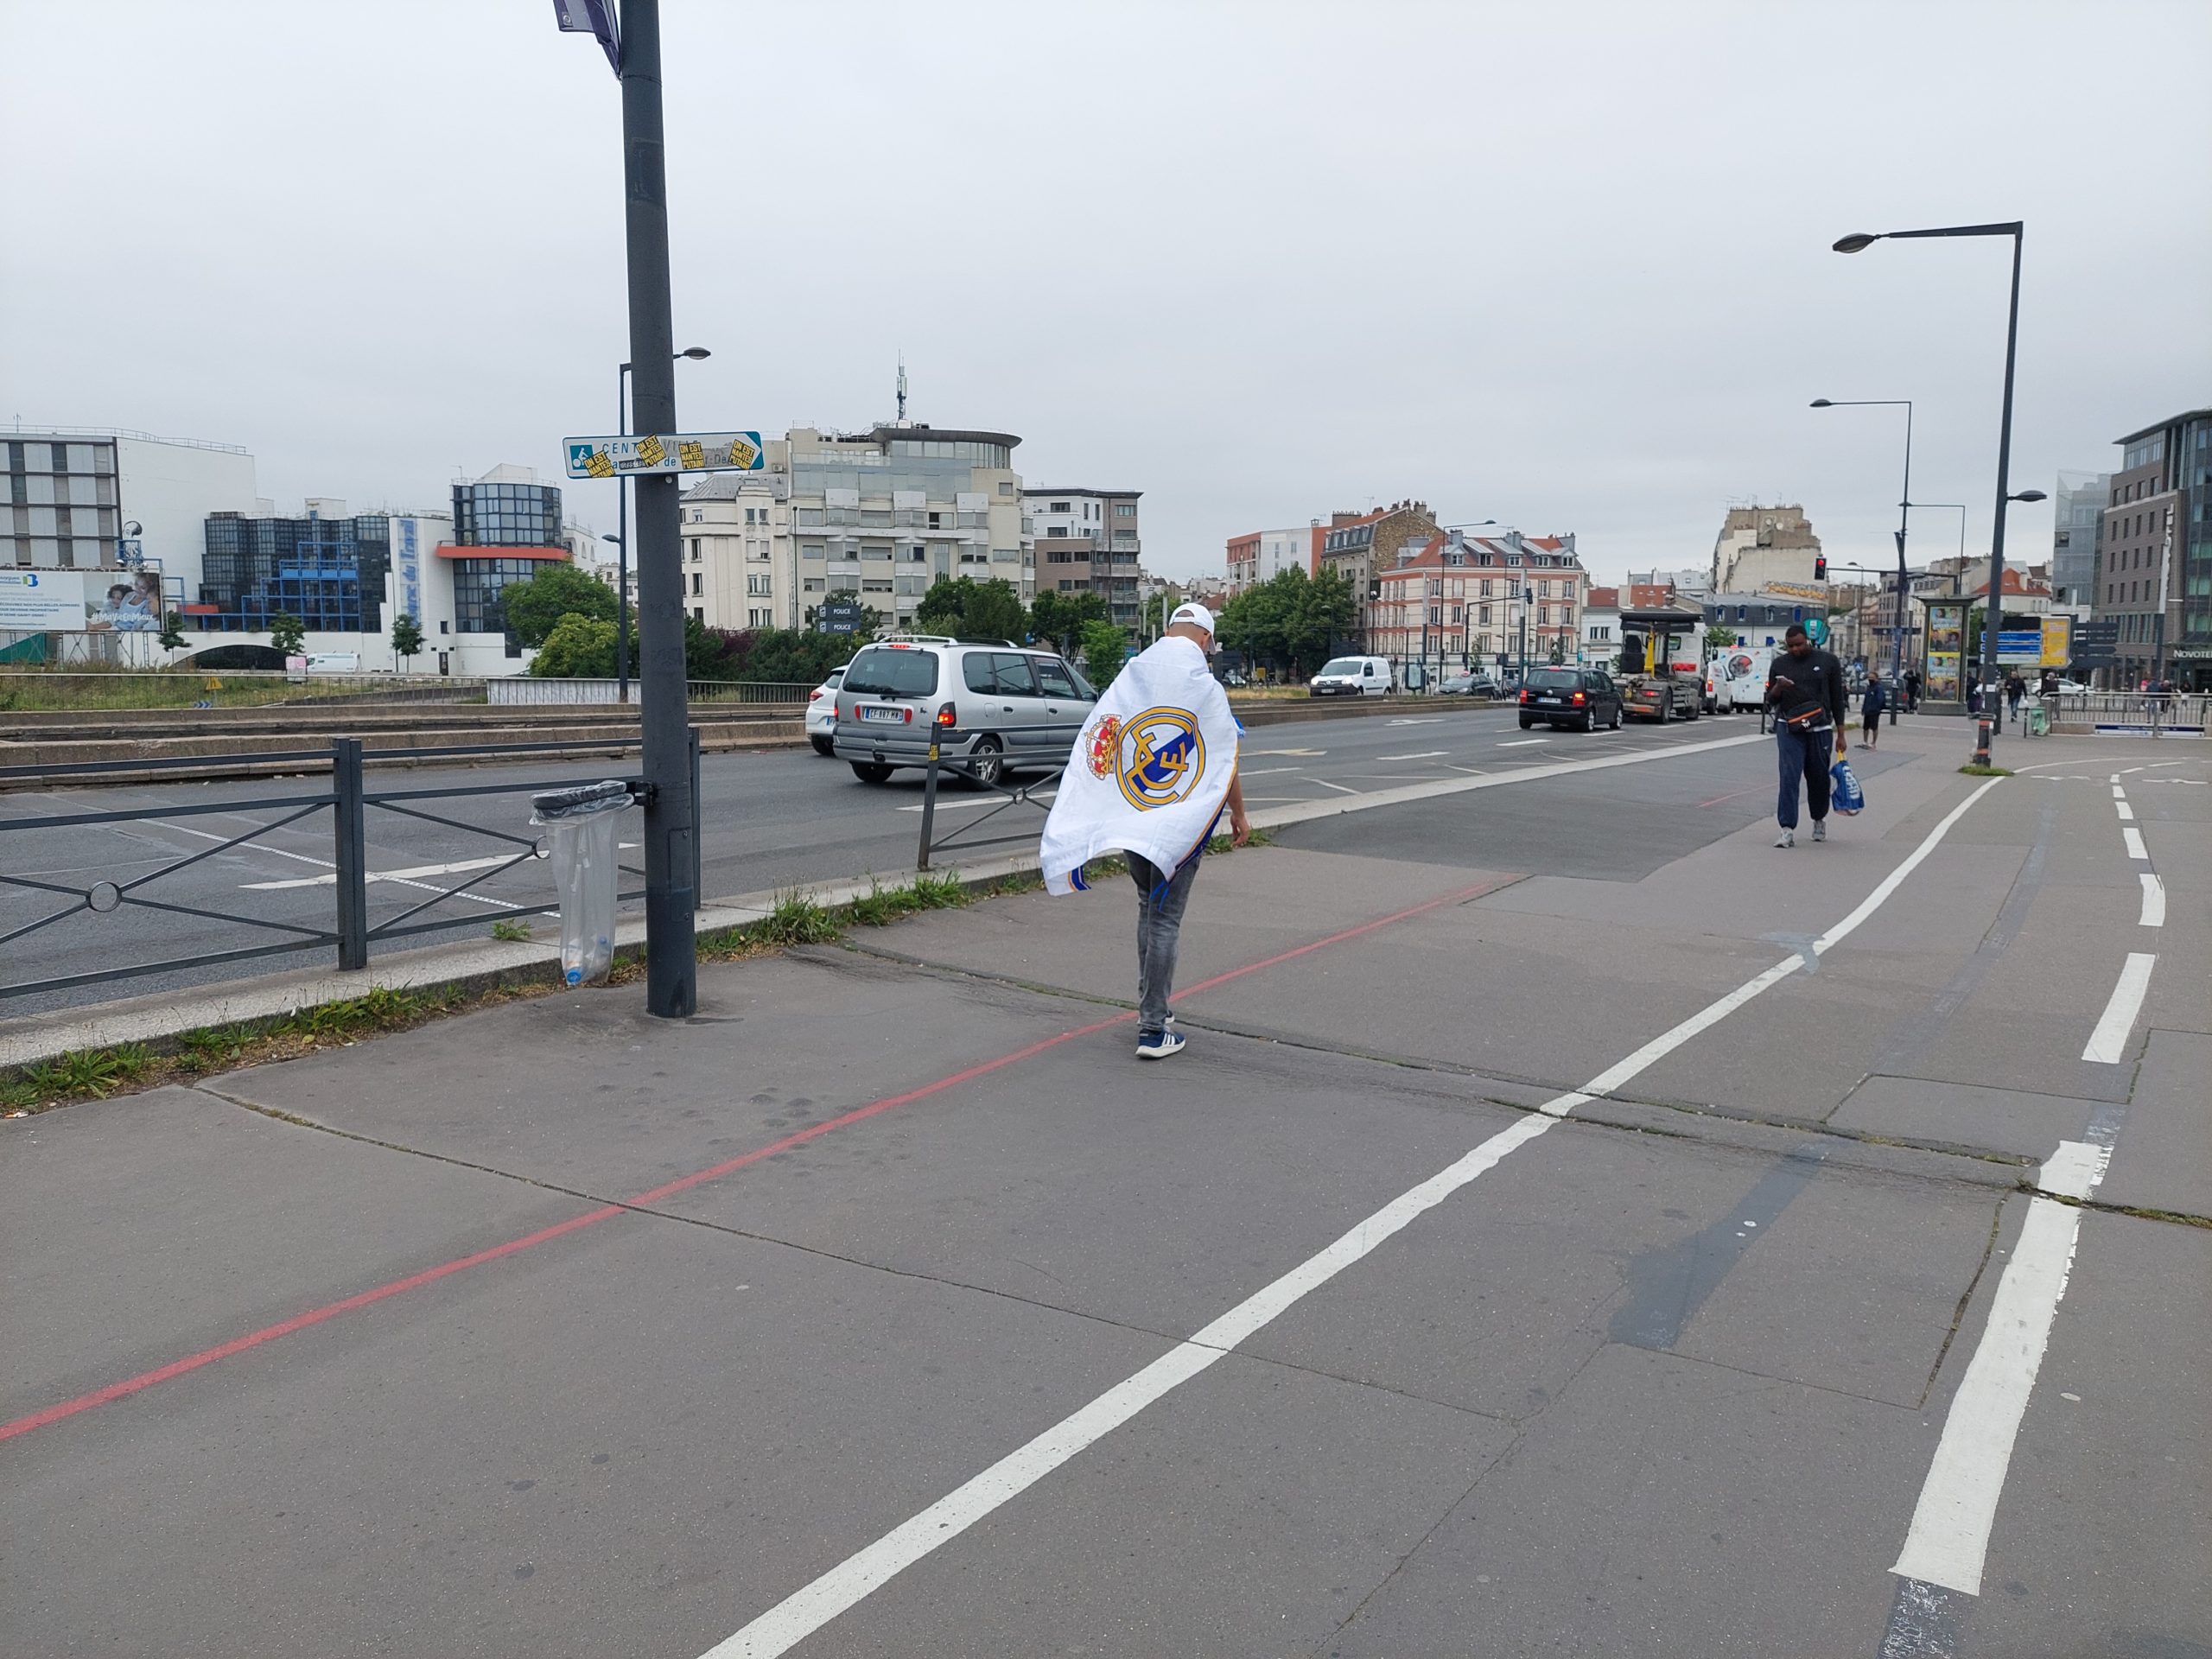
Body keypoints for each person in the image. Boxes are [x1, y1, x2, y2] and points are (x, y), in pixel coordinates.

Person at [1038, 601, 1250, 1060]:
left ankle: (1152, 1007)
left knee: (1147, 909)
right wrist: (1239, 813)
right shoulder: (1206, 688)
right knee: (1166, 919)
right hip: (1179, 823)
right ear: (1208, 642)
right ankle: (1154, 1028)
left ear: (1170, 630)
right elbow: (1221, 759)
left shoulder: (1131, 676)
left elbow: (1104, 735)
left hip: (1133, 813)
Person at [1765, 623, 1847, 849]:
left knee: (1819, 777)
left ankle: (1819, 819)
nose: (1795, 650)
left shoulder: (1828, 661)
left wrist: (1841, 734)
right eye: (1790, 646)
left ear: (1807, 641)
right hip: (1789, 727)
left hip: (1819, 728)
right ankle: (1787, 829)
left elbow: (1837, 699)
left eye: (1799, 644)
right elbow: (1770, 701)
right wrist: (1778, 688)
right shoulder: (1779, 664)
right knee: (1789, 777)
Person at [1860, 673, 1887, 749]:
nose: (1870, 679)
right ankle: (1865, 741)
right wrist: (1863, 709)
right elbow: (1866, 699)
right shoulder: (1869, 687)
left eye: (1872, 678)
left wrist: (1877, 708)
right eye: (1869, 678)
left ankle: (1873, 743)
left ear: (1876, 678)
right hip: (1867, 710)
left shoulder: (1878, 688)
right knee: (1865, 727)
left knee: (1874, 727)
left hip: (1874, 711)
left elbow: (1880, 699)